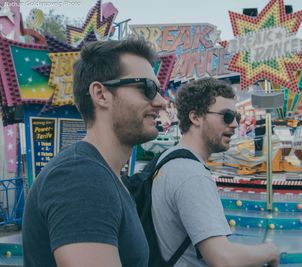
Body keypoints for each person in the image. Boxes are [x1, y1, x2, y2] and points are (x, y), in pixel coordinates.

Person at [22, 38, 166, 267]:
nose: (162, 102)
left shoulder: (105, 176)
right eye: (147, 88)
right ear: (100, 94)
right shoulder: (81, 178)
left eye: (159, 90)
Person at [151, 77, 280, 267]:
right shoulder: (192, 175)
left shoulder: (168, 158)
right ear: (195, 117)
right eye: (227, 116)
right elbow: (222, 258)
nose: (235, 125)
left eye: (236, 118)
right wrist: (269, 251)